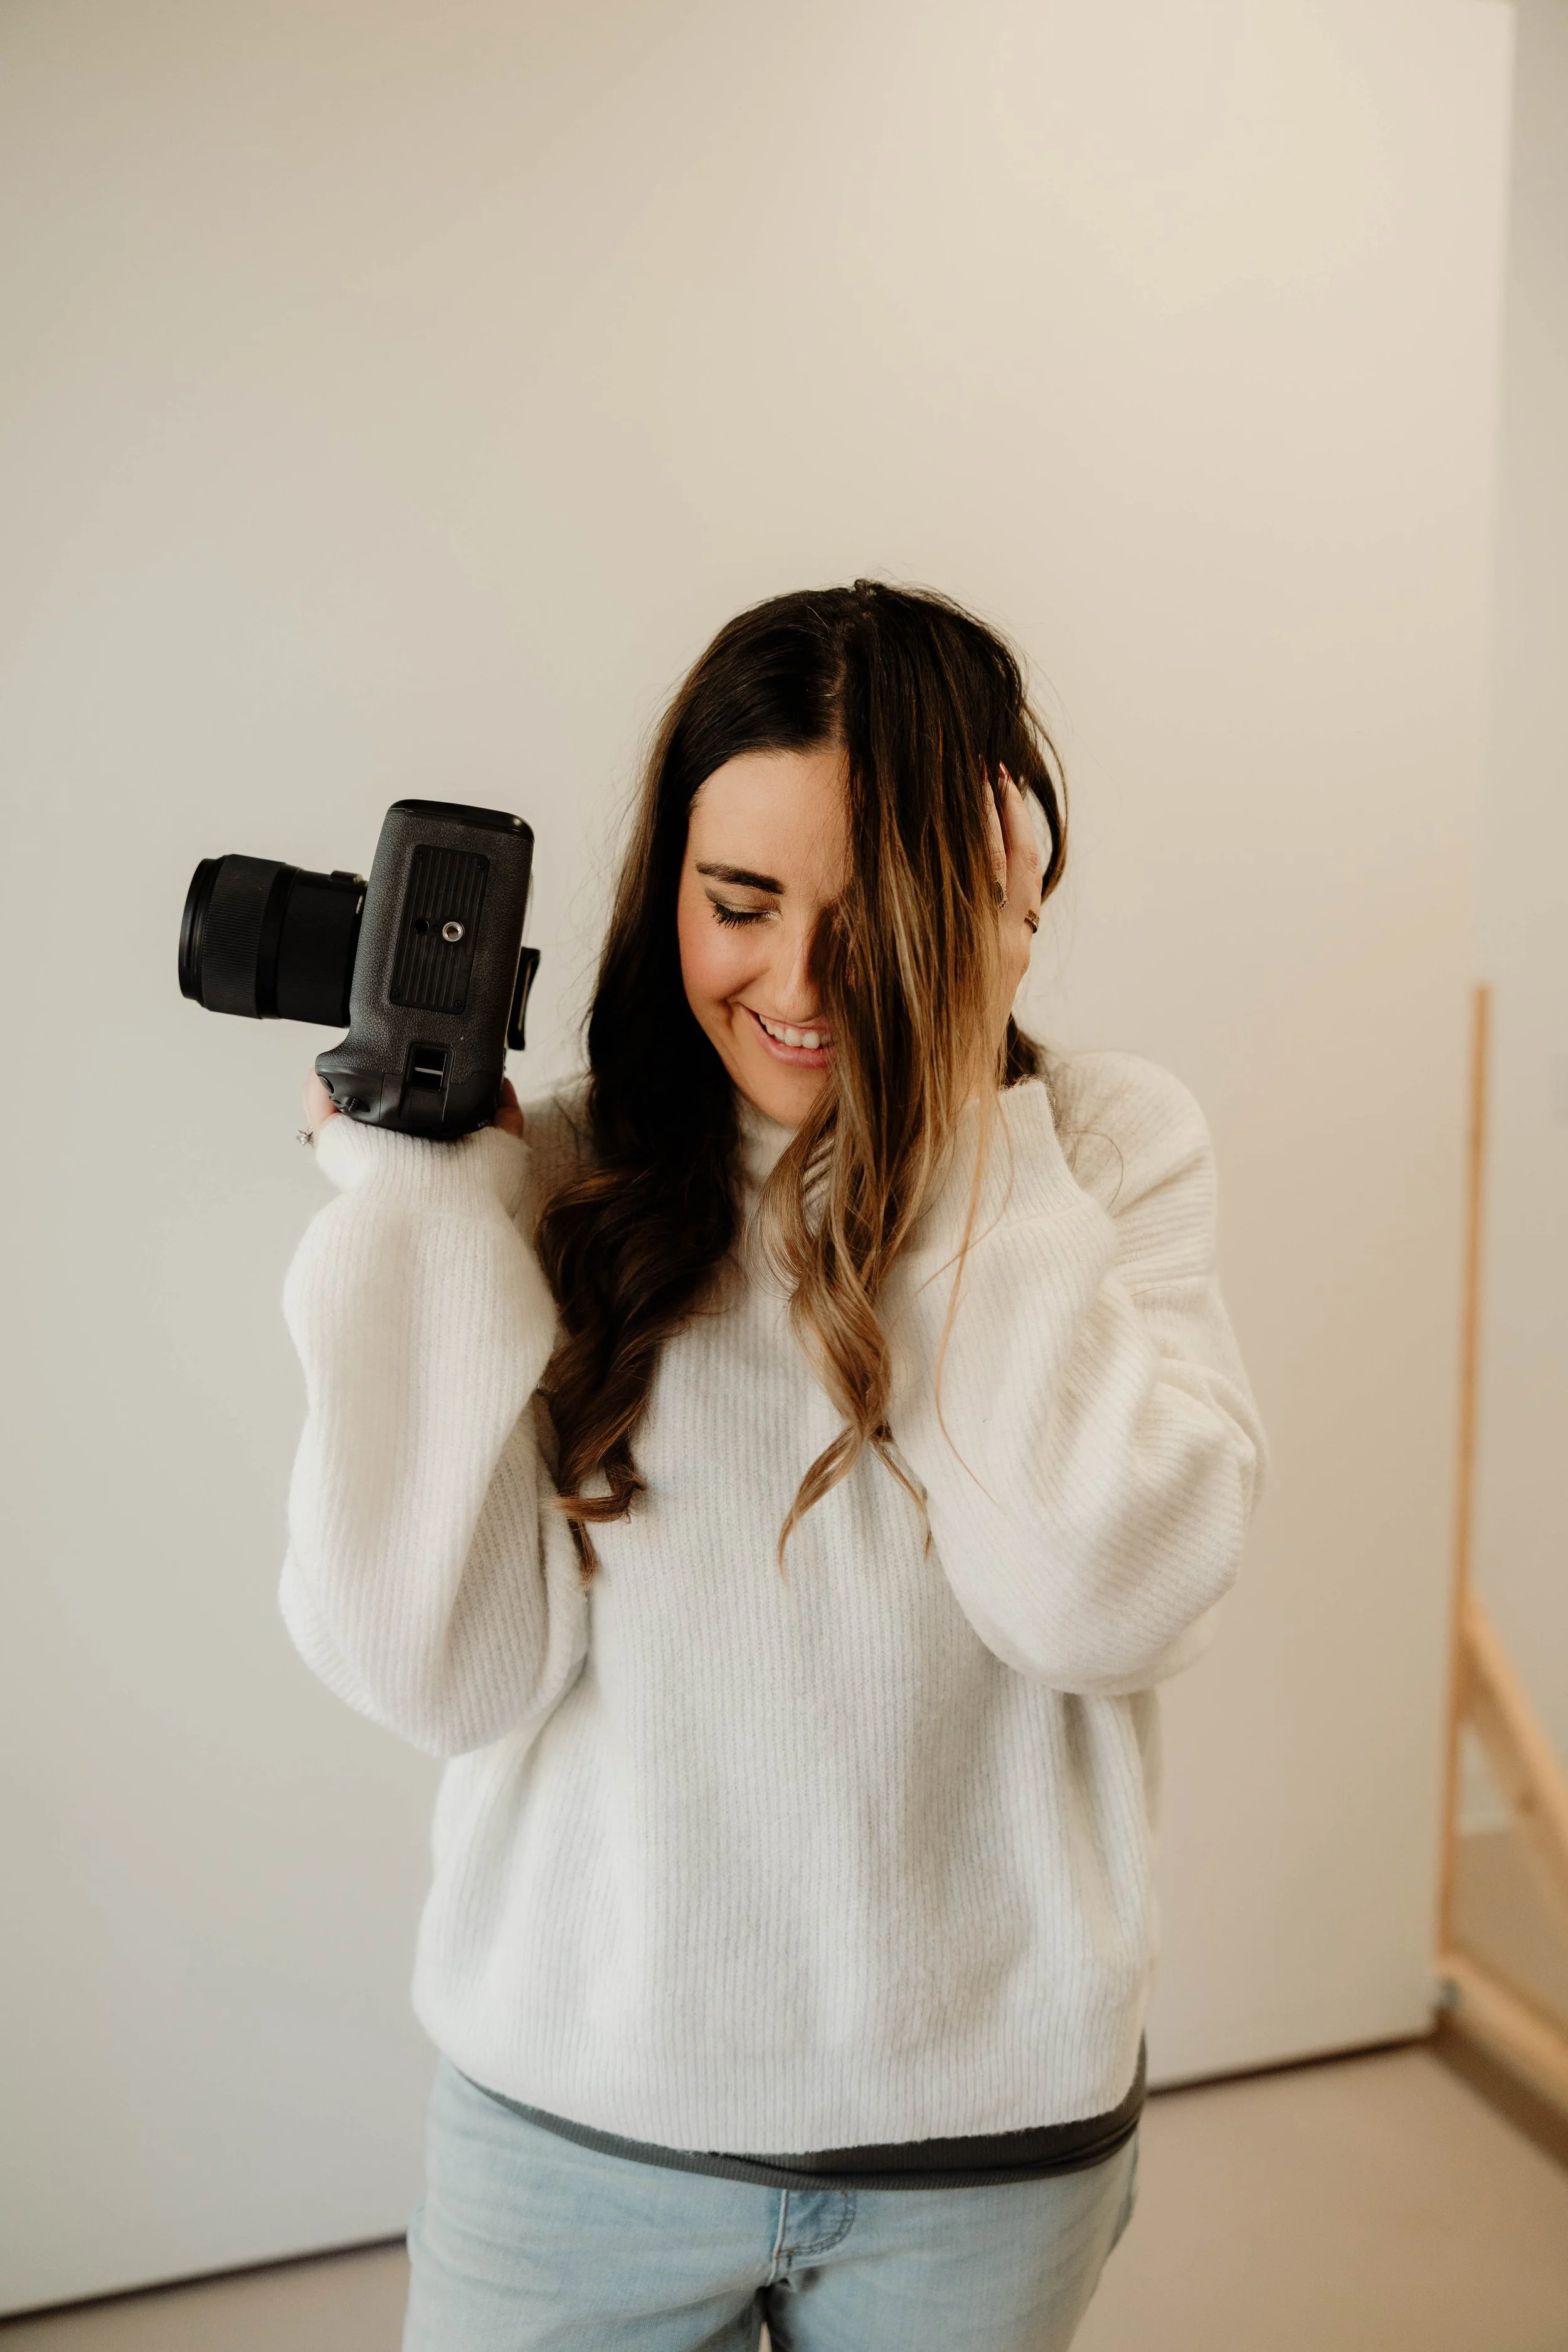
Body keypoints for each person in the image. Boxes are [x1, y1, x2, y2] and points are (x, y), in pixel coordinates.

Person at [283, 580, 1267, 2351]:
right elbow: (434, 1668)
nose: (798, 983)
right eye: (739, 903)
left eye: (874, 917)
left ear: (991, 911)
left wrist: (955, 1094)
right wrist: (414, 1211)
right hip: (574, 2128)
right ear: (668, 879)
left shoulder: (1094, 1153)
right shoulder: (565, 1171)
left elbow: (1105, 1595)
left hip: (984, 2147)